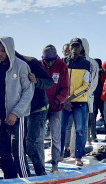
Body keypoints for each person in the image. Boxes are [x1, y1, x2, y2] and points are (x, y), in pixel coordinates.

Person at [0, 36, 34, 179]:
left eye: (2, 50)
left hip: (17, 117)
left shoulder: (21, 66)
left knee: (18, 151)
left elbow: (28, 91)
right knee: (3, 153)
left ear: (9, 49)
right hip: (1, 117)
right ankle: (10, 181)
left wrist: (15, 113)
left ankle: (26, 181)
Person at [18, 49, 54, 176]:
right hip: (23, 110)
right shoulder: (4, 66)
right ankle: (26, 171)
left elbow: (49, 82)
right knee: (21, 143)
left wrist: (37, 80)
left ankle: (41, 172)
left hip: (38, 108)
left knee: (31, 142)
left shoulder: (31, 62)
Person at [39, 45, 69, 173]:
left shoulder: (62, 66)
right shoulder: (39, 65)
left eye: (51, 60)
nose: (49, 63)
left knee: (55, 137)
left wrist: (57, 100)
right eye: (47, 60)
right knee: (39, 137)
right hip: (40, 108)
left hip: (56, 108)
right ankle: (40, 165)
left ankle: (55, 164)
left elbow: (66, 89)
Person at [61, 38, 91, 166]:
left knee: (79, 130)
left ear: (81, 48)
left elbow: (86, 85)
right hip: (64, 103)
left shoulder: (86, 64)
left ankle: (78, 157)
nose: (75, 49)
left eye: (77, 47)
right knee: (61, 129)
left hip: (79, 102)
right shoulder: (63, 62)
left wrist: (70, 97)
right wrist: (64, 99)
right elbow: (60, 82)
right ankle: (59, 155)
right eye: (73, 46)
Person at [81, 38, 99, 144]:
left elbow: (94, 81)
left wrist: (87, 91)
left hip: (87, 96)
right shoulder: (76, 61)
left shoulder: (93, 63)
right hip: (77, 97)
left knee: (88, 119)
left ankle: (89, 140)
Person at [92, 58, 106, 141]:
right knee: (92, 117)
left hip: (102, 98)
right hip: (94, 98)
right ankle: (93, 136)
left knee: (105, 116)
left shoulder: (104, 73)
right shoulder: (92, 73)